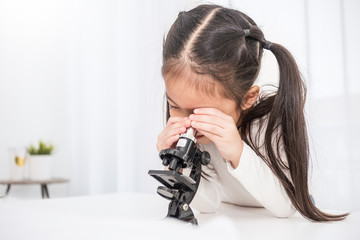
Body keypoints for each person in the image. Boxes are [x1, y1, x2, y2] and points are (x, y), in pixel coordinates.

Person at [156, 4, 348, 221]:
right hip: (238, 220)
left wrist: (237, 151)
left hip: (283, 220)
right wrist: (177, 164)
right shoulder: (196, 128)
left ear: (248, 98)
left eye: (202, 111)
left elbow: (285, 207)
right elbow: (207, 205)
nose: (188, 121)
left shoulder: (270, 121)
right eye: (174, 105)